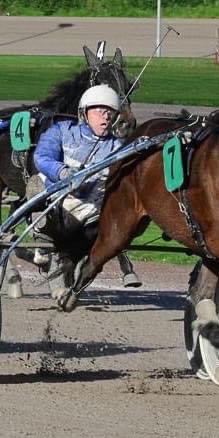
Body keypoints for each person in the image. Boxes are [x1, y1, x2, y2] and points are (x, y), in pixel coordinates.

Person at [32, 83, 141, 295]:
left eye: (111, 112)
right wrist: (63, 173)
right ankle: (42, 231)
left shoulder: (117, 147)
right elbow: (41, 157)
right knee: (36, 182)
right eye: (101, 111)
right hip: (59, 202)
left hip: (95, 212)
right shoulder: (62, 131)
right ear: (84, 112)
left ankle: (83, 260)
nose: (107, 116)